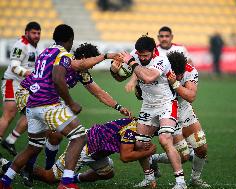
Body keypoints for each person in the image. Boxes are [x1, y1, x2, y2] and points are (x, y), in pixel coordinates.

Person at [0, 24, 121, 189]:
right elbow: (62, 75)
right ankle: (64, 181)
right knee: (76, 135)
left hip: (38, 97)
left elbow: (99, 93)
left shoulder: (50, 53)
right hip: (34, 96)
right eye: (90, 63)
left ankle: (8, 179)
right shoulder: (67, 58)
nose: (91, 67)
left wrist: (119, 107)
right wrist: (107, 56)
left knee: (43, 141)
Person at [112, 36, 187, 189]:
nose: (143, 58)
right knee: (140, 144)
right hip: (148, 105)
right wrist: (114, 70)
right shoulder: (136, 57)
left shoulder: (162, 60)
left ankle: (180, 183)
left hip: (166, 103)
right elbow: (119, 77)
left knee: (165, 139)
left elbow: (148, 77)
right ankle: (149, 178)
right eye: (140, 55)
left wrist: (132, 63)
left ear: (153, 51)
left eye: (146, 55)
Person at [0, 117, 157, 185]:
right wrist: (150, 152)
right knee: (49, 178)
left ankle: (72, 179)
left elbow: (135, 148)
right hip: (84, 147)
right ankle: (6, 166)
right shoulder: (132, 130)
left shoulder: (141, 126)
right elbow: (125, 156)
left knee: (107, 173)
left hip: (97, 149)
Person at [149, 51, 210, 188]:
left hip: (185, 110)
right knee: (183, 157)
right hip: (168, 113)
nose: (181, 76)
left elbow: (191, 96)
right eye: (178, 73)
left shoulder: (190, 70)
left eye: (182, 73)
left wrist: (175, 83)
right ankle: (153, 159)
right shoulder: (160, 71)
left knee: (202, 148)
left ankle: (195, 179)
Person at [0, 22, 41, 156]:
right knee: (9, 115)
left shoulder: (34, 47)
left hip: (25, 86)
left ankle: (10, 141)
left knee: (32, 113)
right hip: (12, 83)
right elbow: (14, 67)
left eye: (38, 33)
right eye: (34, 33)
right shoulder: (20, 45)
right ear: (27, 32)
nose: (37, 35)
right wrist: (31, 74)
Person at [125, 26, 193, 93]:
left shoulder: (180, 49)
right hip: (161, 85)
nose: (164, 39)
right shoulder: (152, 51)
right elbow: (140, 66)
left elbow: (189, 65)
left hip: (178, 83)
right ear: (158, 37)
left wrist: (186, 81)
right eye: (161, 36)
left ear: (171, 37)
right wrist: (133, 81)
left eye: (167, 36)